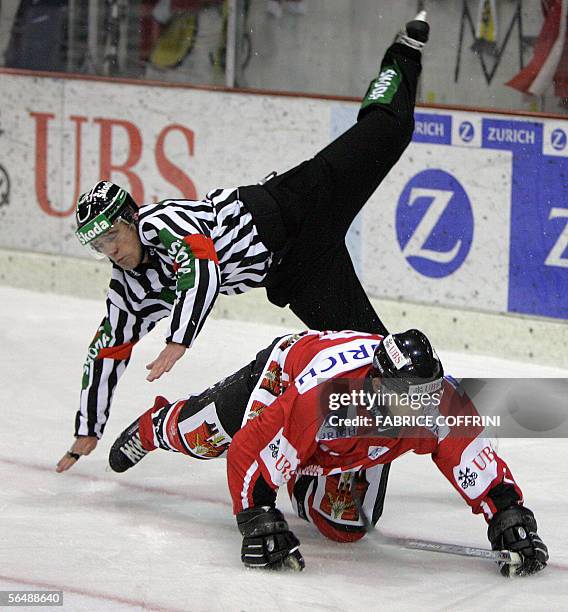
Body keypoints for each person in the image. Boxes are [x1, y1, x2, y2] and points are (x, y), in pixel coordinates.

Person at [57, 12, 429, 472]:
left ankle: (402, 56)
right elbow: (106, 352)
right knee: (376, 360)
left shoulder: (163, 222)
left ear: (132, 218)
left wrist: (179, 338)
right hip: (298, 273)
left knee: (391, 131)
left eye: (112, 234)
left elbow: (202, 268)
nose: (109, 249)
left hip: (299, 203)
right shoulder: (127, 291)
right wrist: (87, 428)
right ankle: (350, 467)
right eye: (98, 244)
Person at [109, 328, 548, 577]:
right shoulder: (322, 400)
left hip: (346, 442)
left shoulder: (440, 402)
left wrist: (507, 514)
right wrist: (257, 518)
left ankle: (303, 469)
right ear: (377, 385)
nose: (421, 404)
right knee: (207, 436)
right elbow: (246, 450)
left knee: (344, 527)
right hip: (288, 373)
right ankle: (158, 425)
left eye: (427, 392)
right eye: (407, 394)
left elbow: (473, 460)